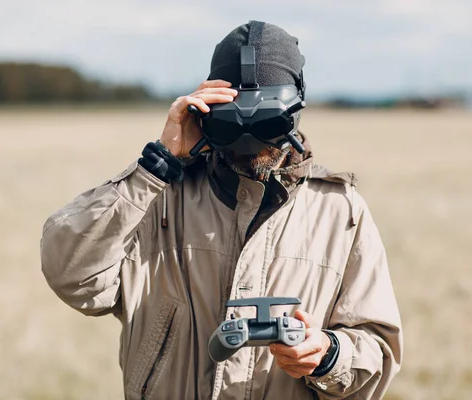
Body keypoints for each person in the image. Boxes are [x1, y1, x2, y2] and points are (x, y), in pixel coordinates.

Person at [40, 21, 403, 400]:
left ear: (295, 110)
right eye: (231, 117)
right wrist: (157, 165)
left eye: (268, 119)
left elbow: (377, 348)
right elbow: (71, 274)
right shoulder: (157, 197)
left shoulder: (340, 212)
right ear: (206, 110)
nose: (249, 137)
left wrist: (328, 356)